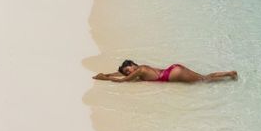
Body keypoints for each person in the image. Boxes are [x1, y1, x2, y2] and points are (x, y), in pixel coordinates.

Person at [93, 59, 238, 84]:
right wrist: (107, 74)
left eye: (128, 68)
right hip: (174, 71)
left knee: (204, 80)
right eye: (126, 71)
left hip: (174, 73)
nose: (128, 71)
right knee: (203, 79)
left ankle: (230, 73)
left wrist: (104, 79)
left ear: (132, 64)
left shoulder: (140, 70)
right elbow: (122, 76)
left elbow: (123, 80)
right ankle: (229, 74)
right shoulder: (141, 69)